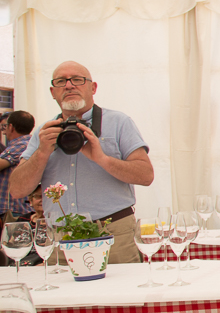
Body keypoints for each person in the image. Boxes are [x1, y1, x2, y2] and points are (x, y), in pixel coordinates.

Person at [10, 61, 154, 264]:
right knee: (62, 296)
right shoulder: (44, 132)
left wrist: (101, 159)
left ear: (93, 87)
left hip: (113, 233)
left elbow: (146, 176)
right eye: (61, 81)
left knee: (120, 295)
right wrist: (42, 152)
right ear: (53, 92)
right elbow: (17, 190)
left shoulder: (119, 122)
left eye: (77, 80)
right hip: (59, 237)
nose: (69, 85)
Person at [0, 111, 35, 223]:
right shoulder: (30, 143)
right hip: (18, 209)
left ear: (11, 127)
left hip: (14, 210)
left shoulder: (22, 145)